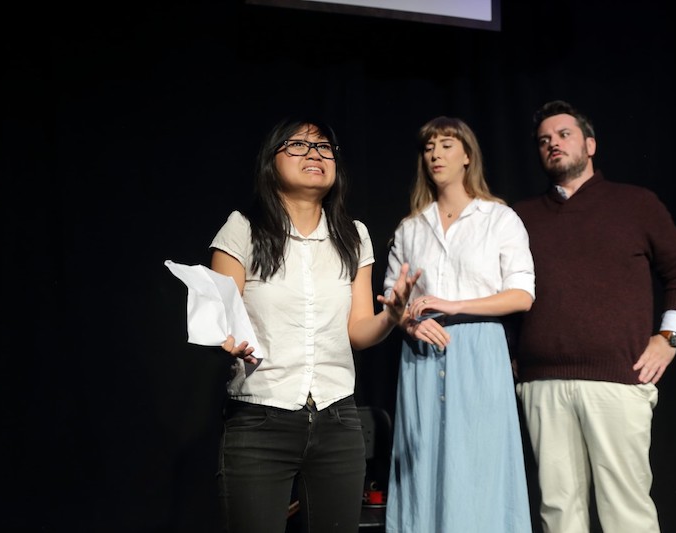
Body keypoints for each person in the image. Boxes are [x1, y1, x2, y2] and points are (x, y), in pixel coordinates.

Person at [207, 117, 418, 533]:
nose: (315, 155)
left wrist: (391, 319)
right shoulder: (242, 229)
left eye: (324, 148)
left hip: (337, 420)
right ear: (272, 161)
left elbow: (358, 331)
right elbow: (219, 320)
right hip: (260, 419)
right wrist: (225, 341)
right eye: (299, 146)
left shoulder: (353, 236)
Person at [511, 100, 676, 533]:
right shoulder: (520, 217)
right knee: (559, 512)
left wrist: (668, 337)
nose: (553, 144)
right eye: (544, 140)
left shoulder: (635, 203)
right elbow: (505, 292)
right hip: (544, 384)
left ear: (590, 144)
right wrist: (511, 352)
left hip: (616, 379)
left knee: (625, 511)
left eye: (564, 135)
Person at [382, 116, 536, 532]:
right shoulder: (410, 229)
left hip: (480, 349)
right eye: (429, 146)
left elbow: (521, 295)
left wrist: (453, 303)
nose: (435, 153)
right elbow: (394, 303)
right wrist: (408, 321)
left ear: (468, 155)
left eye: (447, 144)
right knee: (423, 460)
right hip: (422, 352)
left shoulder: (497, 218)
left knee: (479, 461)